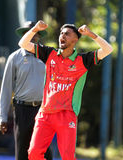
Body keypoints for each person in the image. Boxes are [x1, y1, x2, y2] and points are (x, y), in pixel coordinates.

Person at [18, 20, 113, 159]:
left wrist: (91, 34)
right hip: (45, 113)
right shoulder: (49, 53)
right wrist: (35, 29)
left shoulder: (83, 60)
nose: (62, 36)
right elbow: (23, 44)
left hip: (66, 114)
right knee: (33, 153)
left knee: (67, 156)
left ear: (75, 39)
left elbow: (108, 49)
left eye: (67, 34)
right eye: (61, 33)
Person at [0, 21, 53, 160]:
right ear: (24, 35)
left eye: (35, 33)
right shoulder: (14, 57)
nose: (32, 36)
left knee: (45, 151)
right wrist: (2, 117)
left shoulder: (48, 55)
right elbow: (6, 88)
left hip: (43, 109)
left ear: (39, 36)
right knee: (22, 150)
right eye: (29, 32)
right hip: (22, 109)